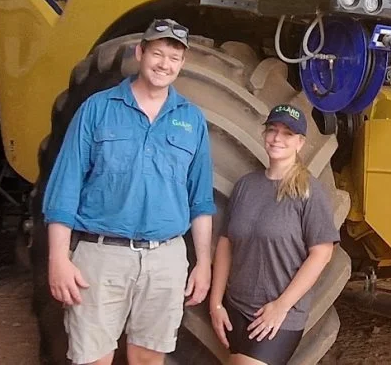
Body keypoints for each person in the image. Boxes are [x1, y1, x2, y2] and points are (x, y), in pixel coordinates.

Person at [42, 18, 215, 365]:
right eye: (158, 54)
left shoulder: (191, 120)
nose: (164, 64)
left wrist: (204, 263)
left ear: (182, 64)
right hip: (101, 256)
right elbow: (65, 187)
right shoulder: (97, 109)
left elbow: (201, 200)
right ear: (140, 53)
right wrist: (57, 258)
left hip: (165, 259)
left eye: (174, 58)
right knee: (93, 359)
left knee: (149, 358)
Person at [208, 103, 339, 365]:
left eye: (288, 133)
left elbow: (322, 253)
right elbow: (226, 244)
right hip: (236, 308)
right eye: (272, 130)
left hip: (278, 315)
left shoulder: (308, 191)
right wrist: (216, 303)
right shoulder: (246, 186)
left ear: (300, 143)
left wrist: (281, 306)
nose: (277, 138)